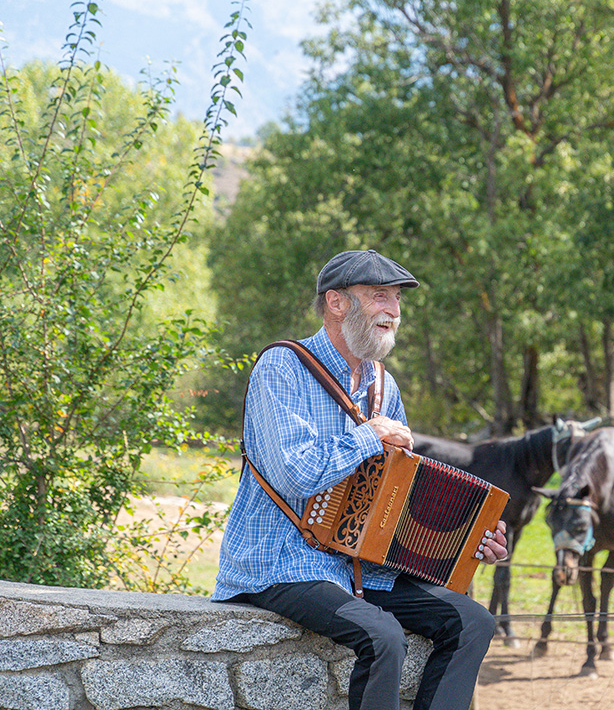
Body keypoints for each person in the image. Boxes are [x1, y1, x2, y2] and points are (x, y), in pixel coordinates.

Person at [213, 249, 509, 710]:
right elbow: (297, 474)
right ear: (336, 303)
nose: (392, 311)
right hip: (281, 564)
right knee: (383, 635)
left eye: (395, 300)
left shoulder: (382, 386)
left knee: (473, 622)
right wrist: (369, 435)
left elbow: (400, 493)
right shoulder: (281, 368)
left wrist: (469, 539)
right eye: (379, 297)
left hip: (360, 564)